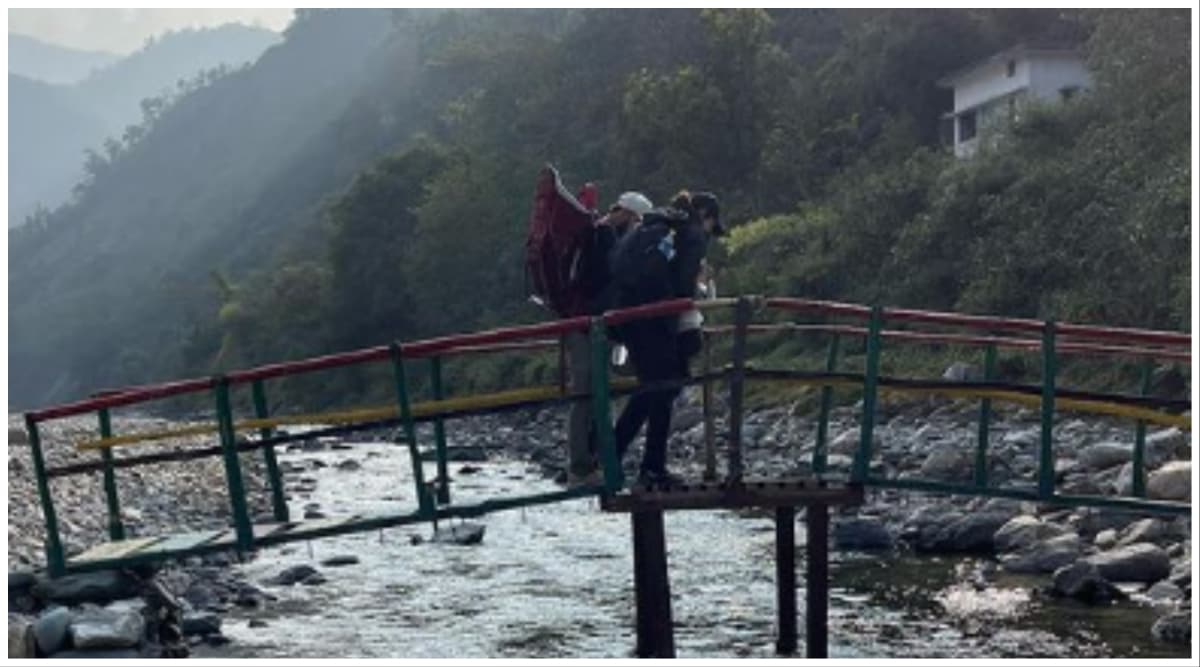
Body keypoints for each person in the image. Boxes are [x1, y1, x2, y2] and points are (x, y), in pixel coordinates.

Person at [609, 190, 723, 487]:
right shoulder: (692, 233)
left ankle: (610, 452)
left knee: (652, 387)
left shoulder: (656, 224)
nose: (710, 231)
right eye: (713, 224)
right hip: (654, 319)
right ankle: (652, 467)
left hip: (628, 316)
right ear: (706, 216)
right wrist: (699, 291)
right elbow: (683, 286)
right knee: (665, 385)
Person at [564, 191, 653, 487]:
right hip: (588, 325)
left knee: (592, 394)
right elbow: (607, 282)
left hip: (585, 324)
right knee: (587, 394)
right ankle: (581, 467)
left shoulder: (597, 232)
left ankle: (588, 462)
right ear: (629, 215)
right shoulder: (605, 238)